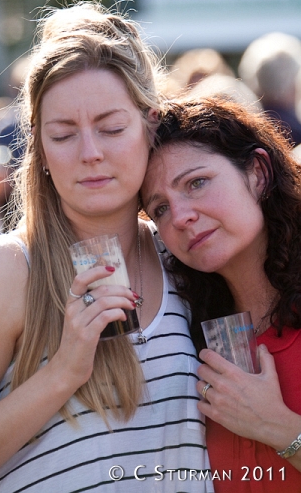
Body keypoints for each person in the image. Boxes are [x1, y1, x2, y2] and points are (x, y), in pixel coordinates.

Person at [0, 0, 213, 493]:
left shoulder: (186, 258)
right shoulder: (3, 271)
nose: (91, 153)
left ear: (149, 124)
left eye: (112, 129)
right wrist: (60, 375)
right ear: (40, 149)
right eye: (63, 135)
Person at [141, 96, 301, 492]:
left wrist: (278, 428)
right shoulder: (187, 342)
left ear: (258, 173)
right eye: (159, 208)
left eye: (196, 183)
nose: (180, 217)